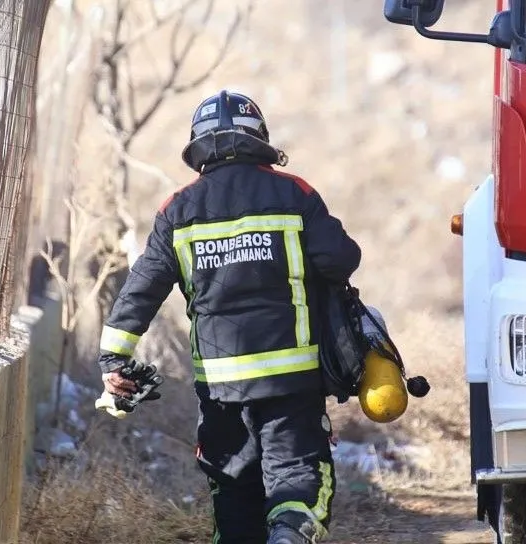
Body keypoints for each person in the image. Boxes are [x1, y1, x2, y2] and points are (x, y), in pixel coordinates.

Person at [97, 89, 362, 544]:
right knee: (296, 477)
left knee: (234, 490)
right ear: (259, 137)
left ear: (198, 146)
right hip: (291, 379)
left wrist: (112, 360)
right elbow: (341, 259)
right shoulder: (294, 192)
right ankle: (289, 534)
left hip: (220, 387)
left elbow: (142, 288)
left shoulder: (177, 210)